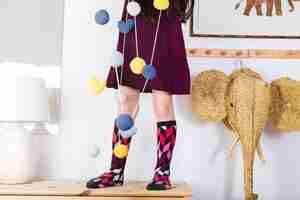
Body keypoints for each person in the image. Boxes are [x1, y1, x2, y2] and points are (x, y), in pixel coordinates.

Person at [87, 0, 194, 190]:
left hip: (164, 21)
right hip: (135, 19)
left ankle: (163, 172)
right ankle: (115, 171)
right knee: (126, 100)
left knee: (163, 104)